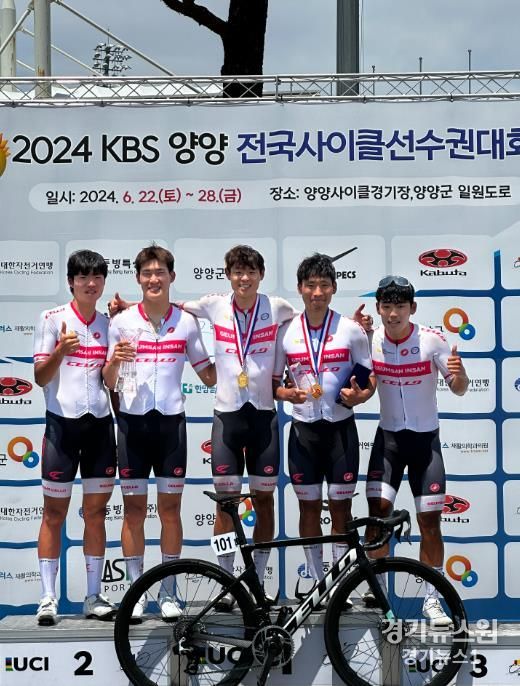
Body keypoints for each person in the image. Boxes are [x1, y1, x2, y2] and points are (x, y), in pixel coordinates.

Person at [103, 245, 215, 622]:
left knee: (170, 511)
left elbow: (207, 374)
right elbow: (108, 380)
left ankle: (169, 592)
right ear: (138, 278)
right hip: (132, 427)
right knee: (134, 512)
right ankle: (136, 593)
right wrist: (114, 361)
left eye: (160, 272)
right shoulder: (120, 322)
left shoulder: (186, 323)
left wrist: (243, 359)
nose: (154, 279)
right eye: (147, 273)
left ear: (171, 277)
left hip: (171, 427)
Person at [363, 275, 469, 626]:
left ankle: (432, 601)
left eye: (400, 306)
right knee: (377, 518)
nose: (393, 314)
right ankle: (378, 594)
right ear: (379, 308)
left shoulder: (431, 340)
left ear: (412, 308)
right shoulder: (370, 340)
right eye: (387, 306)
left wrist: (460, 374)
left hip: (425, 445)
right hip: (389, 442)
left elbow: (459, 388)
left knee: (430, 522)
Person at [273, 253, 375, 595]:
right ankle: (319, 583)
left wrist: (360, 396)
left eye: (324, 285)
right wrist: (286, 394)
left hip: (340, 430)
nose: (317, 292)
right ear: (300, 288)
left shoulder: (351, 330)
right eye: (311, 285)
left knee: (342, 509)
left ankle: (340, 584)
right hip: (303, 432)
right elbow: (274, 383)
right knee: (309, 508)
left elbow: (368, 377)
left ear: (334, 288)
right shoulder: (286, 331)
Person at [33, 250, 117, 626]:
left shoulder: (109, 324)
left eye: (97, 277)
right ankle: (48, 598)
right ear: (71, 282)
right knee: (53, 514)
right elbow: (40, 377)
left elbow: (112, 380)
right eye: (83, 277)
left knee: (95, 514)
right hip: (62, 429)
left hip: (99, 428)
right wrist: (60, 352)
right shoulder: (51, 319)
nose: (90, 283)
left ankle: (93, 595)